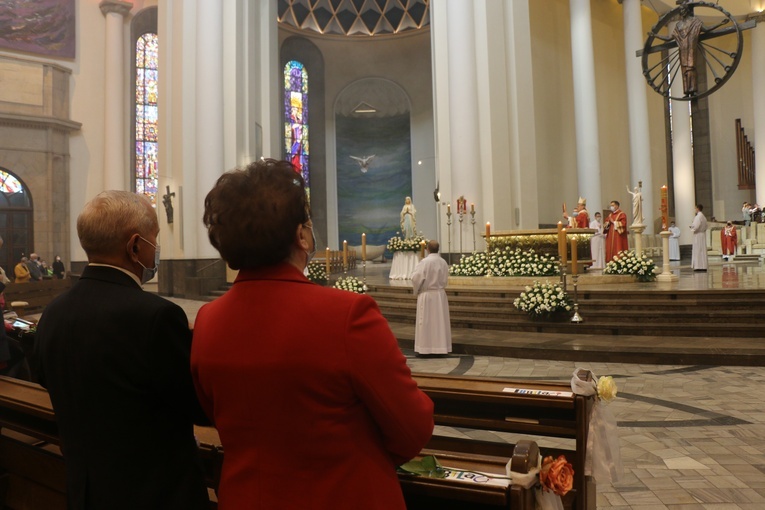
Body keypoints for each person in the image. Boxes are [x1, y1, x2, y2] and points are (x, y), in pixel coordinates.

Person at [192, 159, 433, 510]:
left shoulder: (208, 320)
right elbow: (412, 429)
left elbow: (217, 413)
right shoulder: (347, 315)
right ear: (302, 236)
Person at [33, 190, 210, 510]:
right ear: (135, 246)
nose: (156, 249)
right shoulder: (155, 316)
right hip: (154, 495)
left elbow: (45, 377)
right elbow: (194, 404)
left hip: (85, 492)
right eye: (155, 239)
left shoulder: (53, 313)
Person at [411, 240, 452, 355]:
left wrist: (417, 290)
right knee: (439, 322)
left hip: (427, 295)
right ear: (438, 249)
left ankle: (426, 348)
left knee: (427, 322)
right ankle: (441, 347)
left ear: (427, 249)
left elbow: (416, 278)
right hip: (440, 295)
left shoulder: (424, 262)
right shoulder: (443, 262)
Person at [690, 203, 708, 271]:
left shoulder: (698, 217)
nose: (695, 209)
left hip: (698, 235)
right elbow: (706, 226)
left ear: (698, 208)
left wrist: (692, 227)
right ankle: (703, 266)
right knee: (702, 250)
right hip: (702, 234)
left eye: (695, 208)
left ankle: (698, 266)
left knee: (698, 250)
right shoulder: (703, 217)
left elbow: (696, 226)